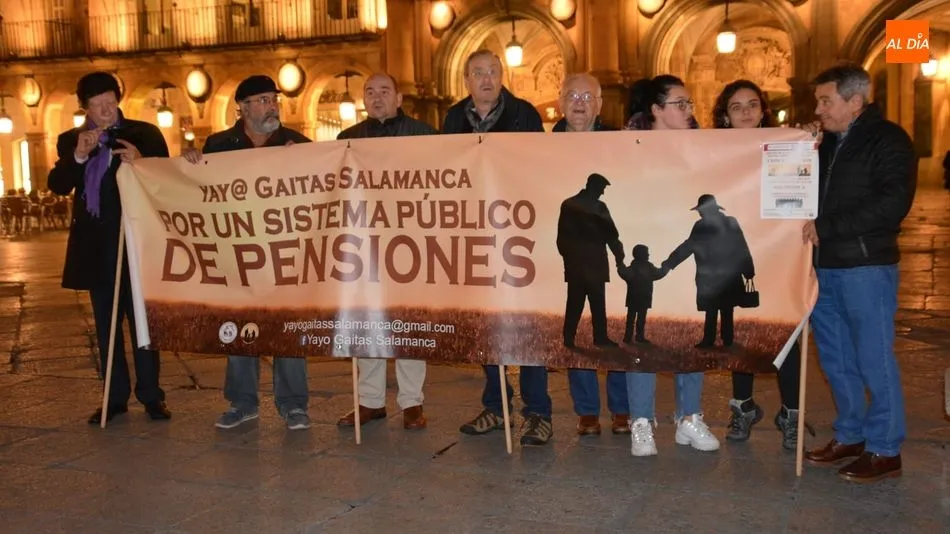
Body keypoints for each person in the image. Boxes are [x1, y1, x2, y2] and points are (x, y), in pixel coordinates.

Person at [802, 64, 917, 483]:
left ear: (855, 102)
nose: (818, 109)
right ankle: (850, 435)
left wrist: (827, 228)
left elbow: (893, 203)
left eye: (825, 101)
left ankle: (886, 448)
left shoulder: (888, 140)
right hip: (825, 268)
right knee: (835, 359)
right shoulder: (826, 144)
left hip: (866, 266)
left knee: (873, 358)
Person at [182, 74, 313, 431]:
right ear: (242, 108)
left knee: (287, 327)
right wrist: (189, 162)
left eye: (274, 99)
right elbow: (198, 189)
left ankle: (293, 405)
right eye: (263, 100)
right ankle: (242, 403)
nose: (272, 106)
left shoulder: (297, 142)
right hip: (237, 253)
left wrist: (304, 161)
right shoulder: (220, 145)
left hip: (285, 253)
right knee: (237, 327)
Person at [47, 71, 171, 424]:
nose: (106, 109)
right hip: (97, 248)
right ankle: (113, 397)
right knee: (107, 326)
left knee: (145, 326)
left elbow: (168, 178)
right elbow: (58, 184)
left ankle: (151, 395)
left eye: (110, 101)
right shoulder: (71, 139)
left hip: (138, 242)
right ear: (84, 106)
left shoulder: (144, 134)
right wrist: (80, 157)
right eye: (97, 104)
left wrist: (142, 161)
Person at [443, 49, 552, 447]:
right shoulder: (454, 118)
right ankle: (497, 404)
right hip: (475, 233)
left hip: (520, 231)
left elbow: (540, 166)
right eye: (477, 73)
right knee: (484, 324)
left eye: (492, 72)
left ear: (503, 76)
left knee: (527, 323)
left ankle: (538, 412)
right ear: (466, 81)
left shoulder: (525, 113)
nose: (486, 79)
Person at [622, 75, 719, 456]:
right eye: (679, 103)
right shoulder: (626, 147)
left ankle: (688, 418)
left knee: (689, 330)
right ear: (656, 110)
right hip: (645, 248)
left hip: (683, 253)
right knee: (640, 336)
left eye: (689, 103)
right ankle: (641, 421)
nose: (688, 110)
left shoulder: (705, 148)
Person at [335, 72, 436, 430]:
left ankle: (412, 402)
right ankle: (370, 401)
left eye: (384, 91)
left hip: (411, 241)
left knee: (408, 320)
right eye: (370, 92)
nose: (376, 97)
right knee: (367, 322)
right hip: (365, 244)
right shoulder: (346, 140)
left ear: (399, 98)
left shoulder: (424, 135)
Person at [712, 79, 807, 449]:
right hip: (735, 255)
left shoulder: (785, 146)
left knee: (785, 332)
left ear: (763, 109)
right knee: (740, 333)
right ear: (725, 115)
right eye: (737, 106)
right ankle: (743, 406)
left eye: (753, 104)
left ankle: (792, 413)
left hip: (778, 252)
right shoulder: (713, 151)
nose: (747, 111)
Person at [553, 73, 631, 437]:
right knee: (588, 315)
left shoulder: (620, 144)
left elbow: (612, 234)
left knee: (592, 316)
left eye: (589, 96)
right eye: (572, 95)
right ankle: (588, 410)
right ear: (560, 102)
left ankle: (619, 408)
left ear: (599, 105)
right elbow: (566, 236)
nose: (580, 102)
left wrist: (615, 258)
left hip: (590, 265)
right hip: (585, 264)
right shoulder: (537, 147)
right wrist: (613, 257)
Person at [617, 244, 668, 344]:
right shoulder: (649, 267)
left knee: (632, 319)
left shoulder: (634, 267)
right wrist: (666, 268)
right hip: (643, 297)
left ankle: (629, 337)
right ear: (641, 254)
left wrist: (620, 265)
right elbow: (658, 274)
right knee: (639, 318)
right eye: (646, 252)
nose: (648, 254)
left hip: (634, 297)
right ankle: (638, 337)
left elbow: (624, 273)